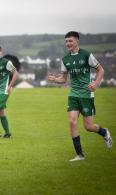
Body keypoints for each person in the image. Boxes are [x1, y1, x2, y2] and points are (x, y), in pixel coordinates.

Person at [47, 31, 113, 162]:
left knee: (89, 127)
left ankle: (104, 132)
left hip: (87, 94)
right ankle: (80, 155)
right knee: (72, 121)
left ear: (77, 41)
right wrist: (55, 79)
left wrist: (95, 83)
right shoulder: (65, 59)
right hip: (73, 94)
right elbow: (64, 79)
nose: (68, 44)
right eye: (66, 41)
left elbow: (101, 70)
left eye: (70, 41)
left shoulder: (86, 55)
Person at [0, 44, 18, 138]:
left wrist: (10, 86)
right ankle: (8, 134)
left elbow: (15, 73)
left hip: (4, 91)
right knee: (1, 112)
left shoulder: (6, 62)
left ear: (1, 52)